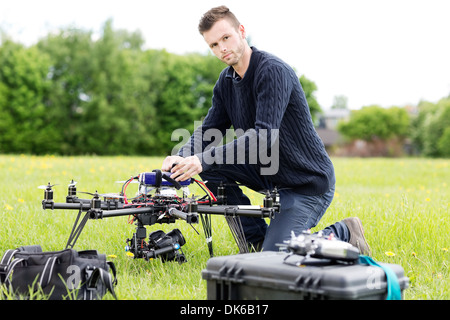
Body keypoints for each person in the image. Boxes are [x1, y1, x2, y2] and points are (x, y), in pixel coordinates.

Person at [162, 5, 371, 255]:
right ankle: (254, 241)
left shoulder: (271, 71)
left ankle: (344, 232)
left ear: (241, 31)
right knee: (211, 170)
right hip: (270, 174)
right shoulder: (226, 82)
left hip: (305, 181)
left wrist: (201, 159)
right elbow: (208, 129)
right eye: (214, 45)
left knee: (277, 258)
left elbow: (262, 138)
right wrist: (183, 157)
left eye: (225, 38)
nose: (222, 49)